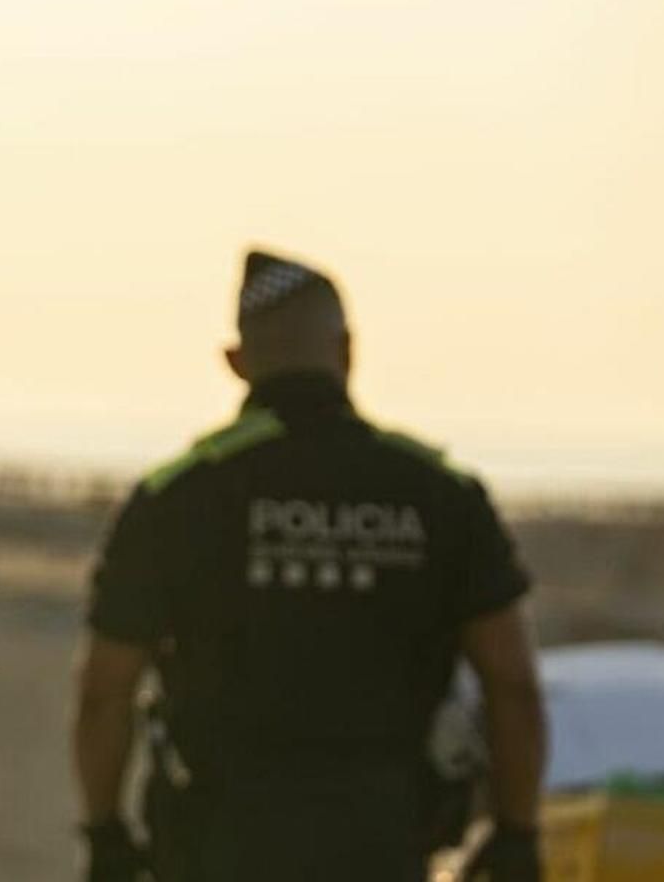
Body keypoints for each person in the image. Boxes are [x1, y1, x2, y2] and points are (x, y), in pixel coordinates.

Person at [72, 249, 546, 882]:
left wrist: (105, 833)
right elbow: (511, 684)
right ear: (347, 350)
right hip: (382, 845)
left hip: (218, 844)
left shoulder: (180, 497)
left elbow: (105, 691)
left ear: (237, 362)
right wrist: (516, 834)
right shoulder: (439, 494)